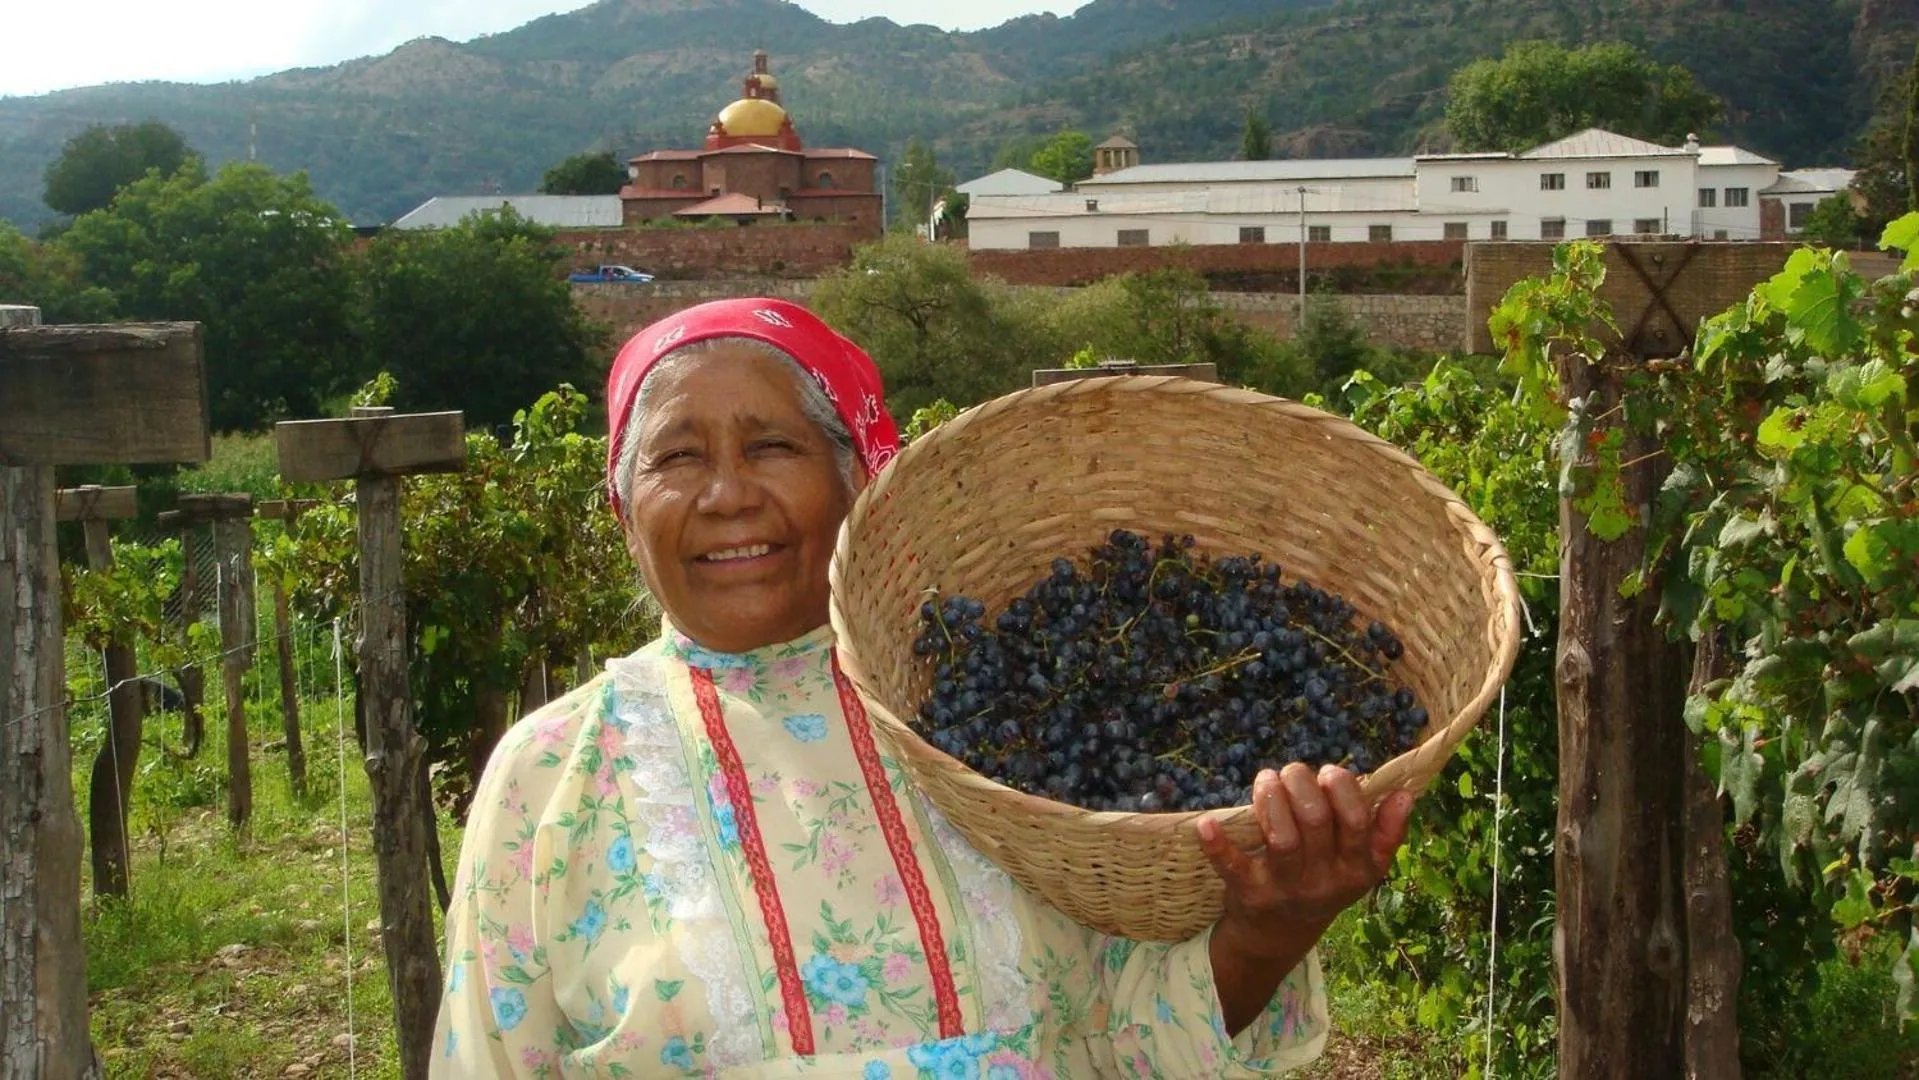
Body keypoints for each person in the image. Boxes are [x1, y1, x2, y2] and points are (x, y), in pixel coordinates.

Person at [431, 298, 1415, 1078]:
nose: (726, 494)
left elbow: (1137, 1039)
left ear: (861, 478)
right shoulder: (550, 777)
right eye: (676, 457)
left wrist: (1269, 929)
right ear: (623, 510)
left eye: (772, 446)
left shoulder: (999, 711)